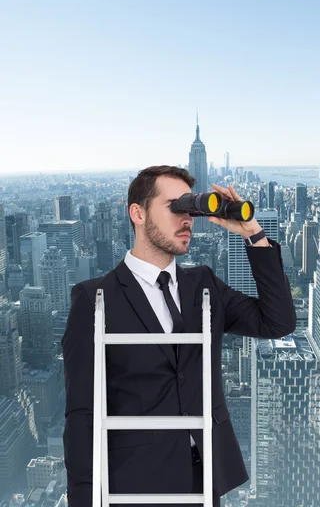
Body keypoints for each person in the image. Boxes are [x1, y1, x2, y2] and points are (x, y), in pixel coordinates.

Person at [62, 165, 296, 507]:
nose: (186, 219)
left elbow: (277, 323)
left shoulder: (204, 285)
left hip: (204, 482)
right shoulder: (94, 298)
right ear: (138, 213)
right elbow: (82, 414)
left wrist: (252, 232)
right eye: (174, 207)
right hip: (134, 485)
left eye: (190, 209)